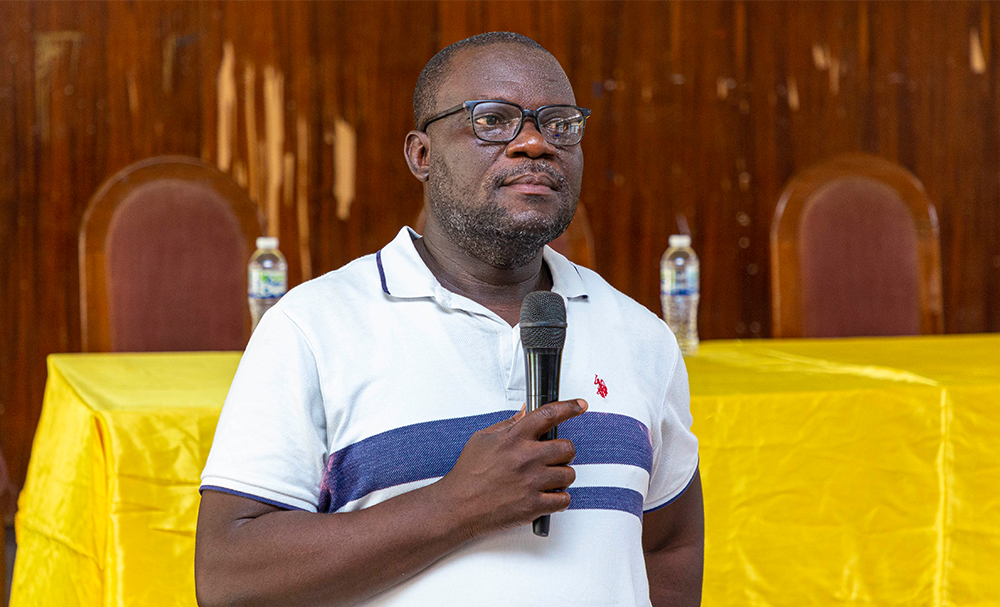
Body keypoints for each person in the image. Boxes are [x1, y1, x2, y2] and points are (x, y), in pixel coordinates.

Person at [195, 31, 702, 607]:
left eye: (559, 124)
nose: (534, 143)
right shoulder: (313, 327)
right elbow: (228, 577)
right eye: (493, 120)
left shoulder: (639, 335)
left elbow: (669, 546)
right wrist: (453, 507)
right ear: (422, 155)